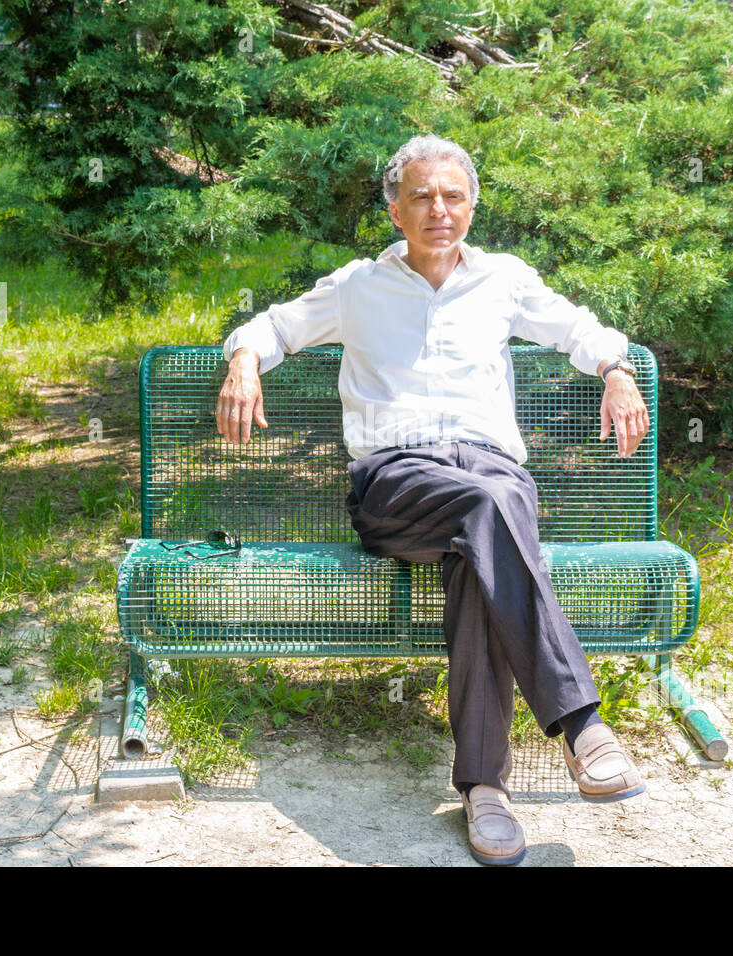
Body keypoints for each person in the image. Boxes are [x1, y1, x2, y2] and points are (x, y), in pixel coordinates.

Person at [216, 133, 651, 865]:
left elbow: (577, 328)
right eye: (421, 196)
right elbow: (274, 326)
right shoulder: (358, 287)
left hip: (490, 478)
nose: (438, 209)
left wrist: (616, 369)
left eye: (452, 196)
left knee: (481, 553)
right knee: (486, 513)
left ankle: (485, 792)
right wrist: (244, 362)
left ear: (472, 207)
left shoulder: (504, 279)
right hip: (397, 483)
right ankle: (581, 723)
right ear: (395, 209)